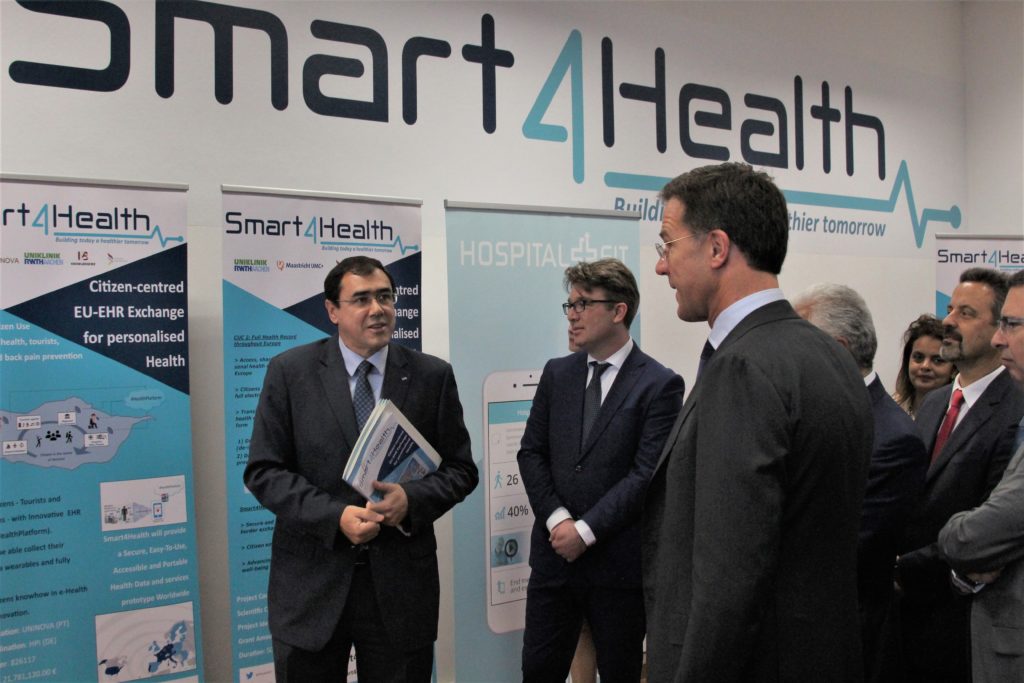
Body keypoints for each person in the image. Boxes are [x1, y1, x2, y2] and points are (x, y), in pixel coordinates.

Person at [642, 162, 873, 682]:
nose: (660, 266)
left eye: (668, 245)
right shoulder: (829, 355)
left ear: (716, 248)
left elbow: (729, 578)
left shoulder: (742, 368)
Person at [243, 256, 478, 682]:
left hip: (400, 591)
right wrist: (336, 517)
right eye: (362, 299)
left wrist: (411, 500)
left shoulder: (431, 376)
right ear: (332, 310)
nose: (378, 309)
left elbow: (461, 470)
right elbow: (265, 471)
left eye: (385, 297)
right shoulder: (290, 372)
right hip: (311, 589)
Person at [517, 259, 684, 682]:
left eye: (583, 304)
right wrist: (559, 520)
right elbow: (531, 453)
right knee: (538, 670)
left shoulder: (659, 384)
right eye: (569, 305)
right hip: (554, 560)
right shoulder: (558, 373)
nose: (571, 315)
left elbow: (645, 475)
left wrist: (586, 531)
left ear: (618, 311)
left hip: (617, 569)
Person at [794, 283, 928, 682]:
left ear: (837, 349)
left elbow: (851, 548)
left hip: (844, 639)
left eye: (801, 344)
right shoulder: (811, 414)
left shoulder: (892, 438)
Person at [897, 267, 1024, 683]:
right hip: (909, 616)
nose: (948, 321)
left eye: (966, 313)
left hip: (971, 621)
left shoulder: (1016, 409)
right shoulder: (935, 403)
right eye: (950, 309)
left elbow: (992, 526)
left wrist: (905, 567)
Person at [938, 269, 1024, 683]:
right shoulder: (935, 402)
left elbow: (972, 537)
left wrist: (956, 533)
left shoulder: (1011, 409)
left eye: (1012, 324)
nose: (998, 339)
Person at [893, 314, 956, 417]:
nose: (925, 366)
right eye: (918, 357)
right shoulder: (891, 408)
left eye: (937, 360)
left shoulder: (957, 417)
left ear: (953, 369)